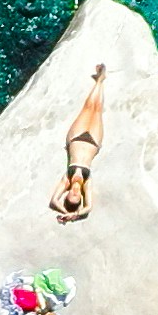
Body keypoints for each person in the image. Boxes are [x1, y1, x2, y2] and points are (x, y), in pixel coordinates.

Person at [50, 60, 105, 220]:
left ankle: (98, 81)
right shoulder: (86, 183)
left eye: (70, 196)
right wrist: (75, 214)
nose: (74, 193)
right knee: (97, 110)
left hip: (75, 138)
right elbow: (88, 208)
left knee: (88, 106)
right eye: (77, 197)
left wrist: (65, 213)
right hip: (93, 141)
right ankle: (101, 81)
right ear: (80, 197)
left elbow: (53, 201)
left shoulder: (66, 180)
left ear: (66, 195)